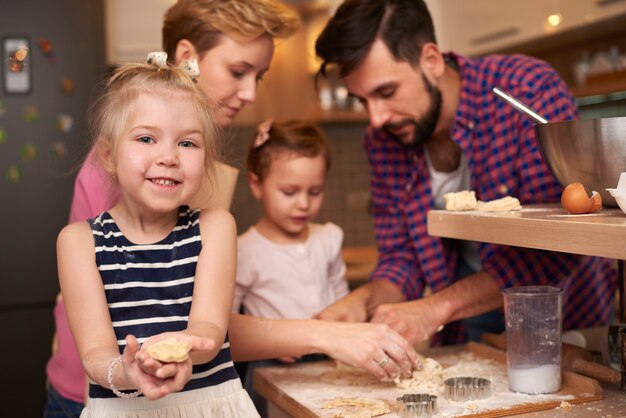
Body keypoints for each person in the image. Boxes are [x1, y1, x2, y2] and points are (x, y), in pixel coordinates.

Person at [46, 1, 418, 416]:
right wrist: (324, 335)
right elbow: (150, 317)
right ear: (189, 58)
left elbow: (207, 322)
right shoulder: (120, 175)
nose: (251, 94)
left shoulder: (200, 180)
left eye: (259, 77)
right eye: (238, 72)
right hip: (104, 392)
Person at [314, 0, 617, 346]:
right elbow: (402, 259)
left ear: (431, 60)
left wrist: (436, 307)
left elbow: (558, 245)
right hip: (461, 319)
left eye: (386, 92)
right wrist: (365, 299)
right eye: (363, 100)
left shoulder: (525, 89)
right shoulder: (382, 141)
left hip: (564, 322)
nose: (376, 117)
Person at [57, 59, 261, 416]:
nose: (168, 157)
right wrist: (130, 372)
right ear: (107, 155)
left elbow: (209, 329)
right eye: (146, 138)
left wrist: (183, 349)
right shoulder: (79, 242)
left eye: (187, 143)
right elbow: (95, 355)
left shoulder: (215, 227)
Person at [234, 120, 349, 415]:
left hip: (327, 360)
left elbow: (343, 302)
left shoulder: (328, 238)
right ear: (256, 184)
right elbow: (226, 322)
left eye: (314, 192)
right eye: (289, 191)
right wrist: (273, 342)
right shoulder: (243, 250)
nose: (303, 204)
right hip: (271, 365)